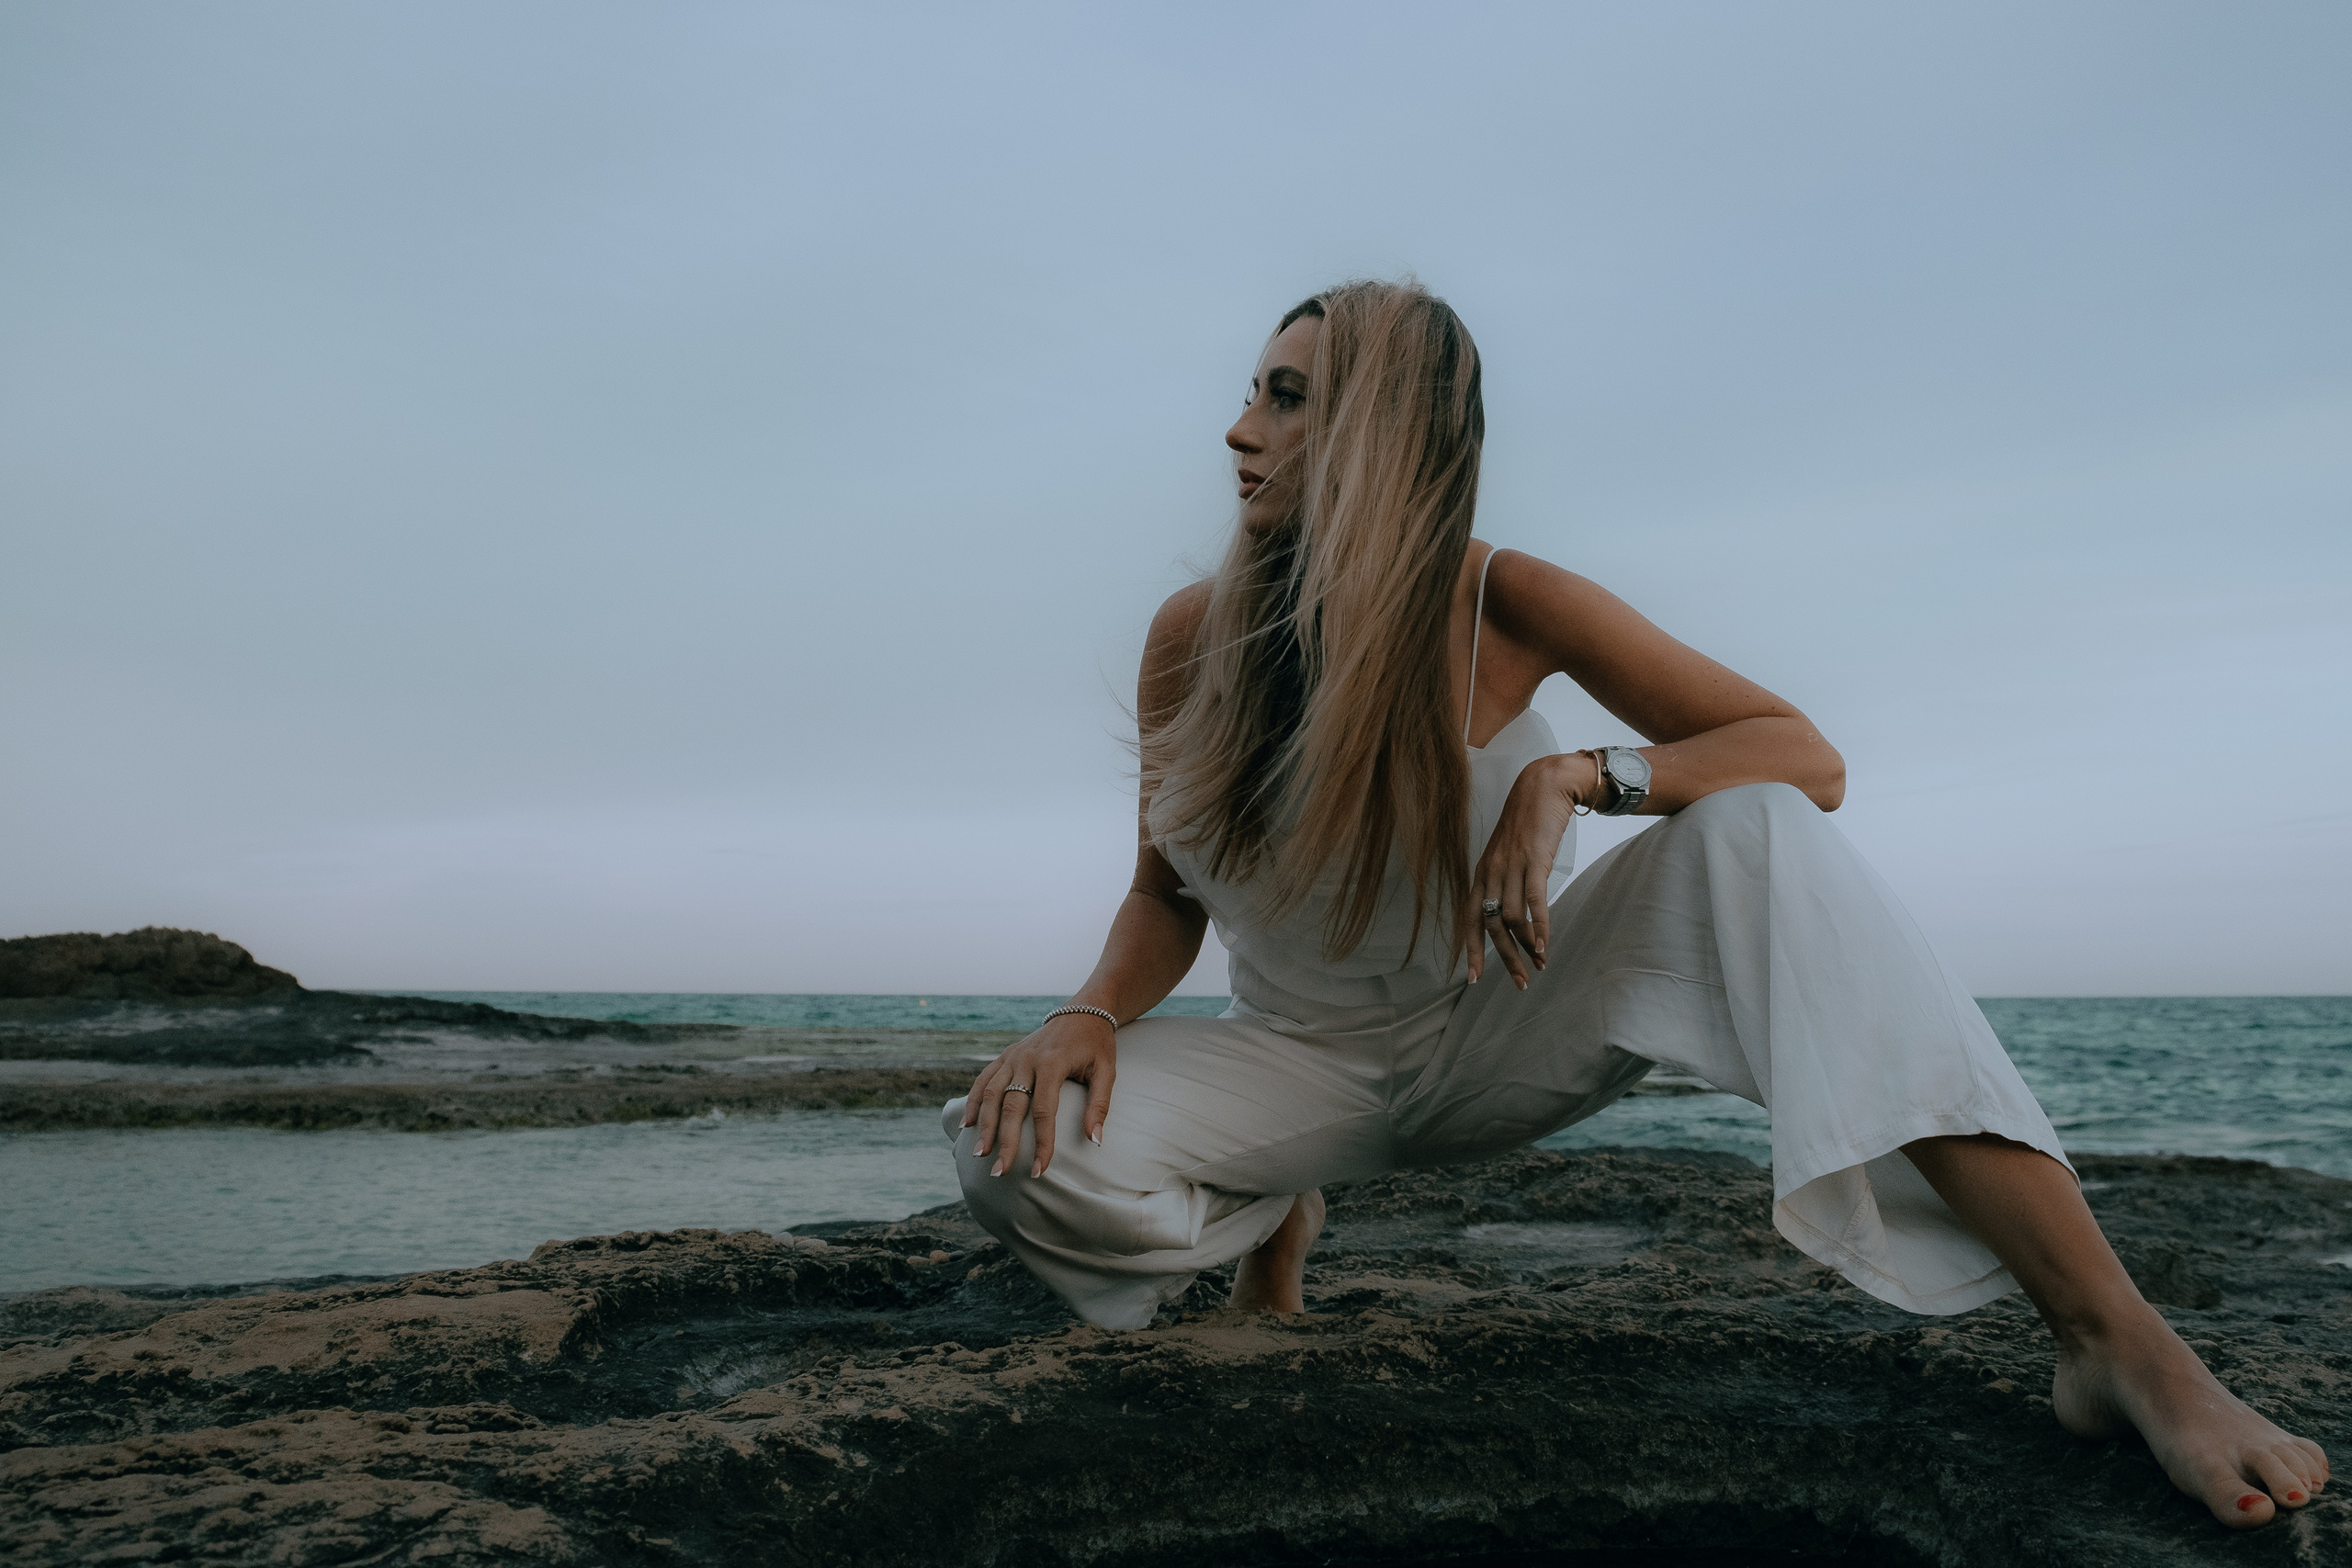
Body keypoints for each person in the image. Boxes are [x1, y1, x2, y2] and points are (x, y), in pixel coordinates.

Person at [944, 279, 2327, 1529]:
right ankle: (1278, 1206)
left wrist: (1579, 777)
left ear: (1378, 433)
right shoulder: (1193, 639)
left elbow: (1808, 755)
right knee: (1013, 1150)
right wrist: (1089, 1013)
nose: (1239, 430)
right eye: (1252, 392)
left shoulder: (1507, 599)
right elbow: (1158, 894)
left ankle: (2111, 1343)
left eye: (1285, 397)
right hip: (1290, 1063)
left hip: (1501, 1021)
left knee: (1758, 831)